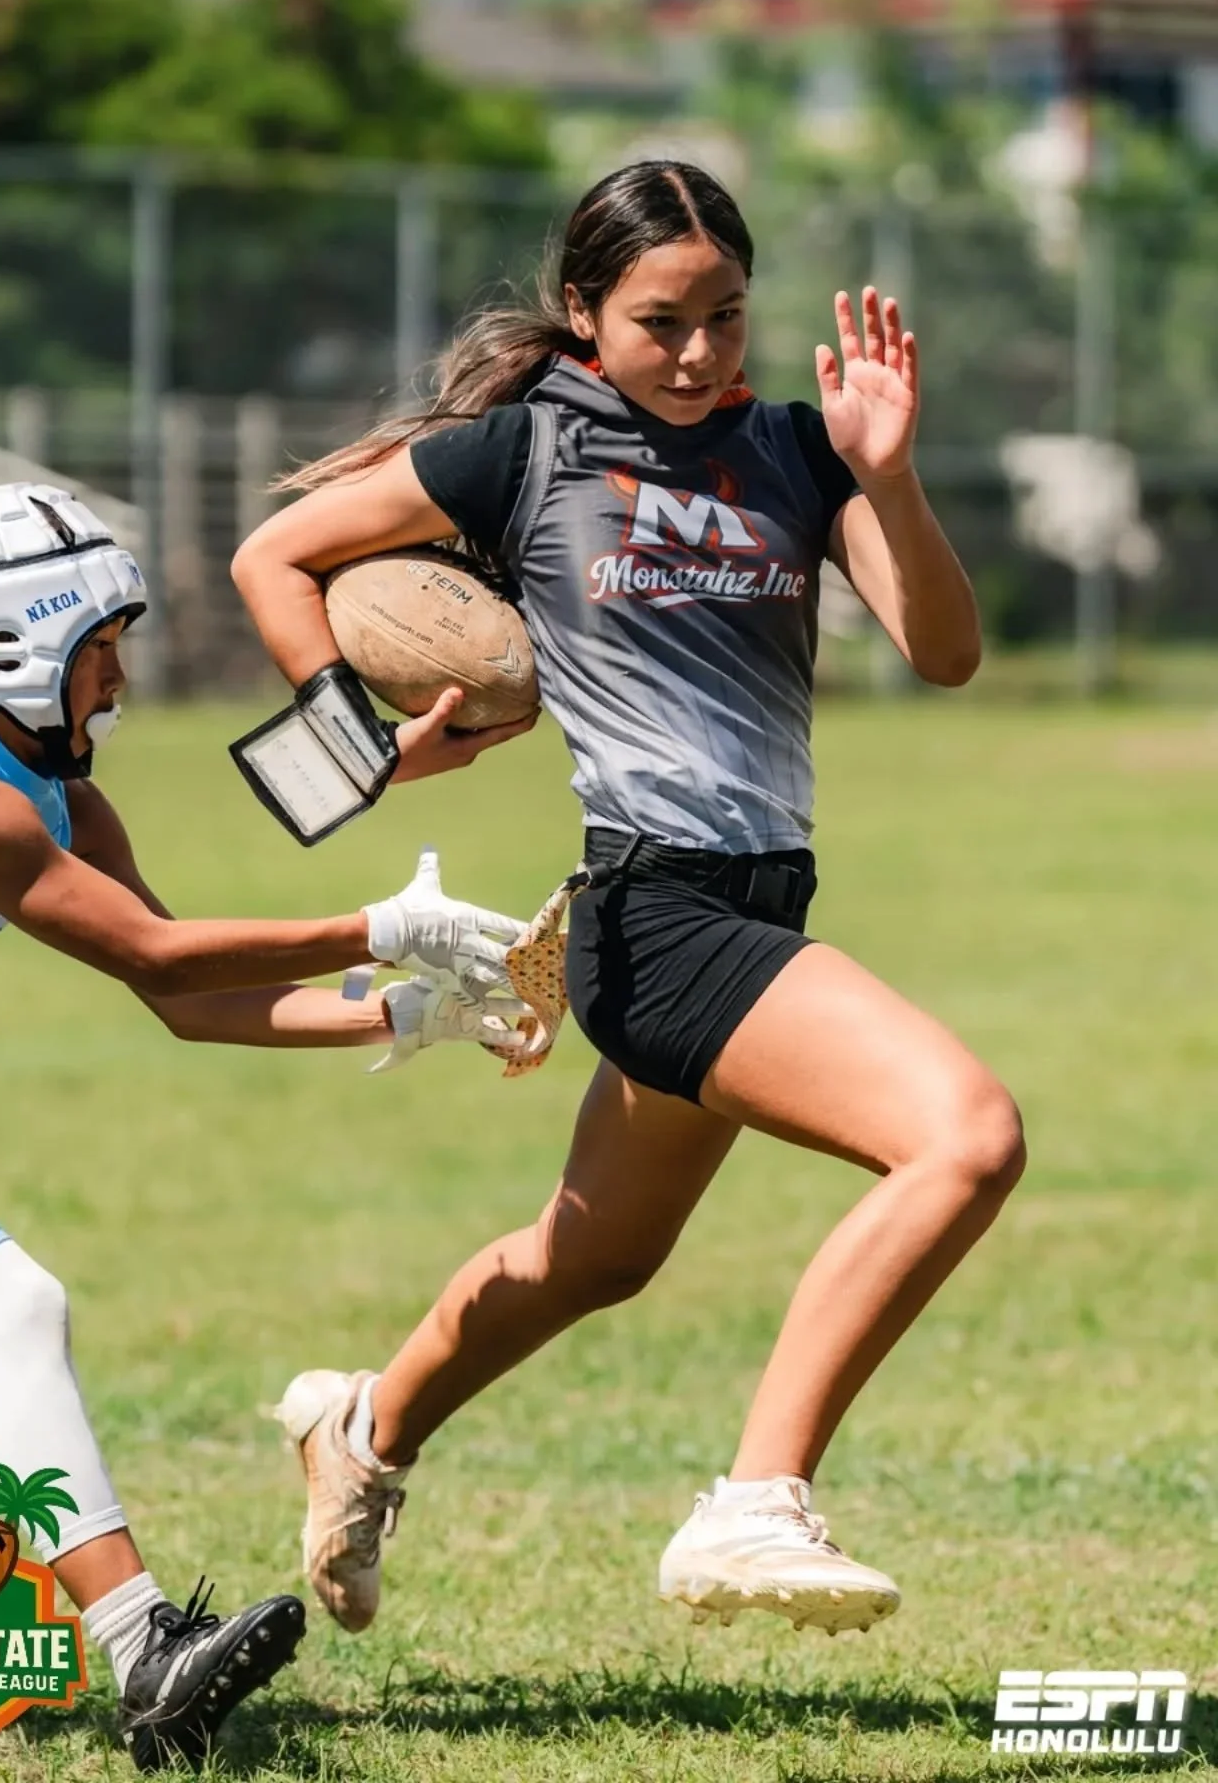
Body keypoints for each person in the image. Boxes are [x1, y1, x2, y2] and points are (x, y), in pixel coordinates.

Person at [230, 160, 1027, 1641]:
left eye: (729, 315)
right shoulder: (524, 447)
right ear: (585, 315)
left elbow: (945, 651)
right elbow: (276, 552)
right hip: (654, 921)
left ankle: (365, 1428)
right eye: (664, 321)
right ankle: (756, 1499)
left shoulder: (798, 450)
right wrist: (359, 749)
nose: (703, 352)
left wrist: (890, 472)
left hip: (755, 904)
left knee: (590, 1256)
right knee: (965, 1136)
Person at [0, 482, 528, 1768]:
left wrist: (405, 1019)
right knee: (10, 1305)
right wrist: (380, 928)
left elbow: (188, 1001)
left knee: (10, 1309)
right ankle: (146, 1654)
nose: (120, 680)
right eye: (102, 649)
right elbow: (166, 953)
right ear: (12, 648)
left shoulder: (42, 792)